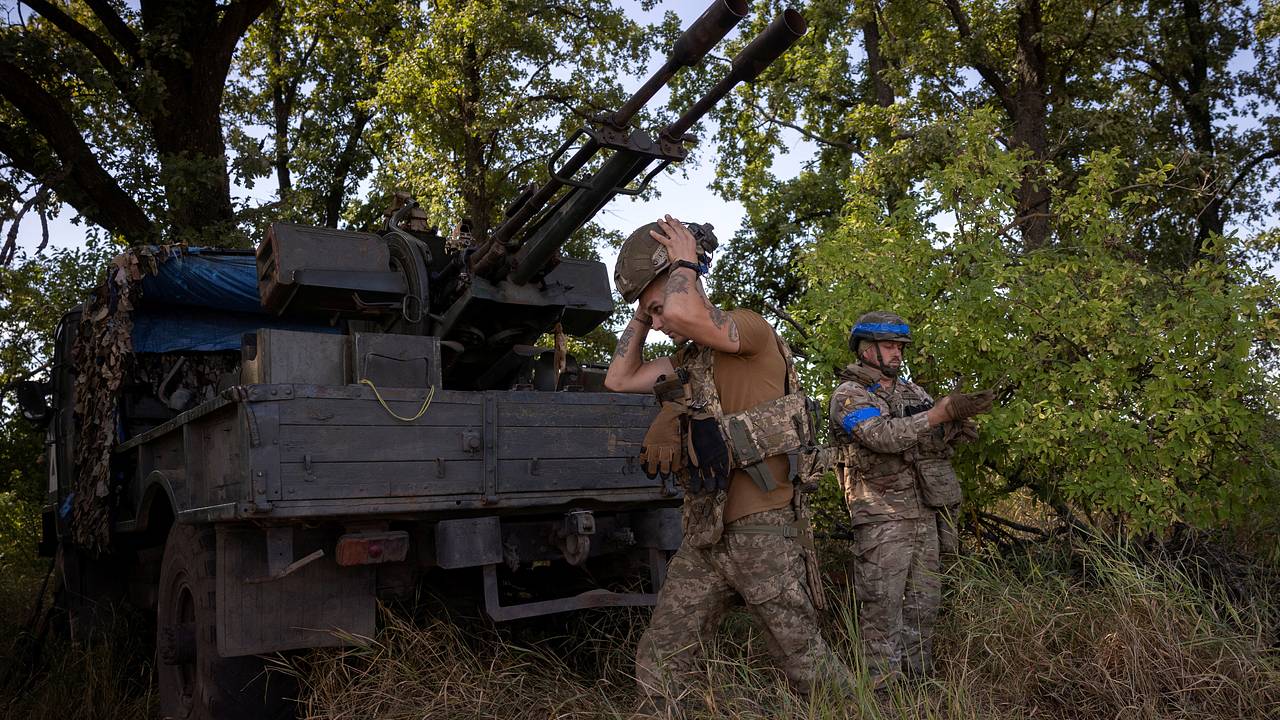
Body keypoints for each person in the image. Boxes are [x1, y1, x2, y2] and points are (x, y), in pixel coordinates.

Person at [606, 215, 851, 715]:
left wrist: (682, 263)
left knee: (806, 664)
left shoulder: (748, 329)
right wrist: (639, 311)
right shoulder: (691, 360)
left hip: (764, 530)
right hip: (708, 534)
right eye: (650, 315)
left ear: (687, 280)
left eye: (658, 309)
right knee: (662, 656)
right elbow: (619, 378)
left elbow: (684, 309)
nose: (658, 322)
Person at [828, 311, 993, 688]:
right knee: (882, 609)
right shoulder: (849, 395)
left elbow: (927, 439)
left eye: (901, 347)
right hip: (882, 517)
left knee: (924, 607)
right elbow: (881, 436)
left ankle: (919, 690)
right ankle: (881, 693)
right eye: (889, 346)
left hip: (924, 512)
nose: (897, 354)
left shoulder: (913, 392)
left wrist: (956, 426)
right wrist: (937, 416)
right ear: (866, 350)